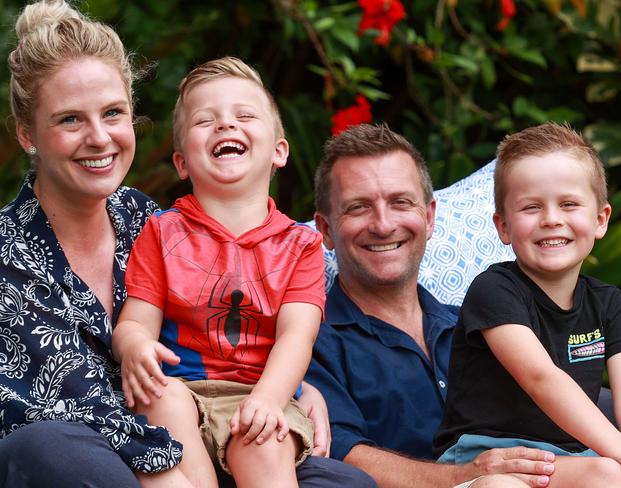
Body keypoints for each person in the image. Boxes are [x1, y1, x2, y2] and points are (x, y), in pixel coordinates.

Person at [0, 2, 375, 487]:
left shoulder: (150, 220)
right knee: (48, 449)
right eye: (70, 120)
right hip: (106, 449)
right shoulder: (10, 254)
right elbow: (70, 402)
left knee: (349, 483)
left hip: (210, 434)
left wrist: (291, 388)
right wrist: (167, 468)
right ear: (27, 134)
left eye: (113, 113)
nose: (99, 137)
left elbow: (242, 334)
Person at [306, 123, 557, 488]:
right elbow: (342, 453)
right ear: (325, 230)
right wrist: (462, 478)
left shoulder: (478, 325)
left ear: (428, 217)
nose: (383, 224)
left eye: (400, 202)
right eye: (358, 207)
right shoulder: (309, 340)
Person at [112, 57, 324, 488]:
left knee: (261, 442)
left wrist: (267, 399)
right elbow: (136, 320)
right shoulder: (162, 232)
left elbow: (296, 336)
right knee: (159, 398)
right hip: (182, 389)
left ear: (279, 151)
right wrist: (134, 346)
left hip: (259, 391)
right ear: (182, 162)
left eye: (244, 115)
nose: (226, 126)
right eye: (205, 121)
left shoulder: (300, 245)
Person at [432, 122, 621, 487]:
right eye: (531, 207)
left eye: (569, 204)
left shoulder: (610, 304)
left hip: (571, 459)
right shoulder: (494, 290)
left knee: (611, 475)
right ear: (503, 226)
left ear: (600, 220)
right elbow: (541, 379)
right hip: (485, 459)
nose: (551, 219)